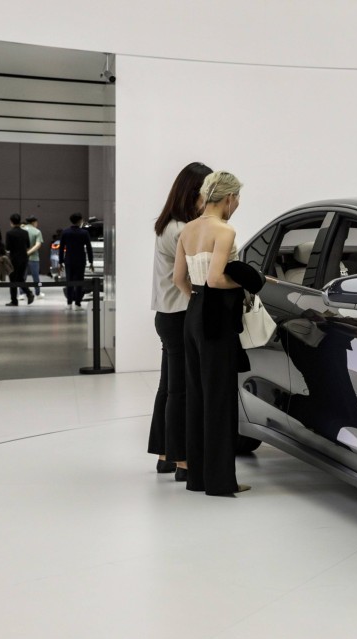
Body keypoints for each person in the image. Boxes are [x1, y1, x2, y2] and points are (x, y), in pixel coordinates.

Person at [172, 170, 250, 495]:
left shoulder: (187, 229)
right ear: (229, 198)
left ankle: (198, 478)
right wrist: (246, 282)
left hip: (193, 315)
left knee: (197, 395)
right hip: (215, 317)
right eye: (238, 199)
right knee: (219, 398)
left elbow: (178, 279)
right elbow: (217, 278)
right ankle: (220, 482)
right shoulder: (225, 230)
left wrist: (197, 302)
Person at [149, 162, 212, 479]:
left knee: (170, 388)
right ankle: (184, 462)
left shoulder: (169, 225)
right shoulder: (179, 230)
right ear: (193, 194)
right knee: (182, 391)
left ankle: (166, 455)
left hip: (167, 315)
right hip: (179, 314)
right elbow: (193, 275)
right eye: (206, 193)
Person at [59, 213, 94, 308]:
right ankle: (78, 303)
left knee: (69, 280)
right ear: (80, 221)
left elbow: (61, 248)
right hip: (80, 260)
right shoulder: (84, 233)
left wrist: (60, 262)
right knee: (79, 281)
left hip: (69, 259)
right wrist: (91, 261)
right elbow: (89, 248)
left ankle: (69, 302)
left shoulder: (65, 232)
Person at [5, 214, 34, 306]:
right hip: (24, 258)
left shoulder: (9, 233)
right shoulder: (25, 233)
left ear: (11, 221)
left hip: (13, 259)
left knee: (13, 279)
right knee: (20, 278)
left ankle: (14, 300)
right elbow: (28, 245)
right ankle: (28, 293)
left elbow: (8, 247)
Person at [23, 216, 44, 297]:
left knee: (22, 277)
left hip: (22, 258)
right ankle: (37, 293)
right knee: (36, 277)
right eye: (36, 222)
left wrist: (24, 253)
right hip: (34, 257)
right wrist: (28, 253)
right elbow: (38, 245)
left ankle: (22, 294)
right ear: (33, 222)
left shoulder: (22, 230)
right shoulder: (37, 231)